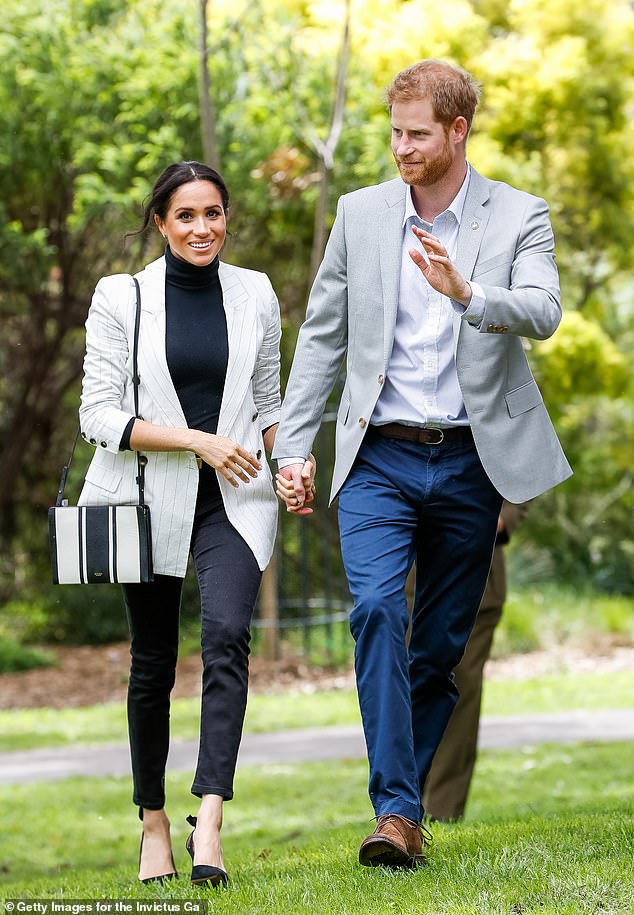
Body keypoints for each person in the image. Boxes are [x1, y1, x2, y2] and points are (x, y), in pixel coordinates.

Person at [273, 59, 571, 868]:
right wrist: (294, 444)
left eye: (416, 133)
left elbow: (542, 310)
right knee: (375, 610)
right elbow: (325, 337)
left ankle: (401, 813)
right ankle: (397, 812)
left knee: (439, 648)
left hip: (474, 461)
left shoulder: (519, 214)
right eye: (394, 131)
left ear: (457, 131)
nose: (400, 147)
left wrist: (468, 291)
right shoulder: (362, 215)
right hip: (378, 457)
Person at [78, 161, 313, 887]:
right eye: (186, 216)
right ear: (160, 222)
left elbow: (271, 403)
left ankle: (208, 817)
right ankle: (152, 820)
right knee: (151, 663)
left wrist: (291, 461)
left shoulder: (256, 292)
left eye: (213, 213)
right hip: (149, 498)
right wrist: (196, 439)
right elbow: (99, 415)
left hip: (234, 500)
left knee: (226, 638)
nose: (202, 228)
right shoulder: (124, 297)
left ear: (226, 217)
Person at [422, 500, 528, 822]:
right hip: (409, 573)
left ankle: (440, 814)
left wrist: (503, 515)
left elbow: (530, 455)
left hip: (478, 569)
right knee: (408, 687)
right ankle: (398, 811)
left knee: (460, 692)